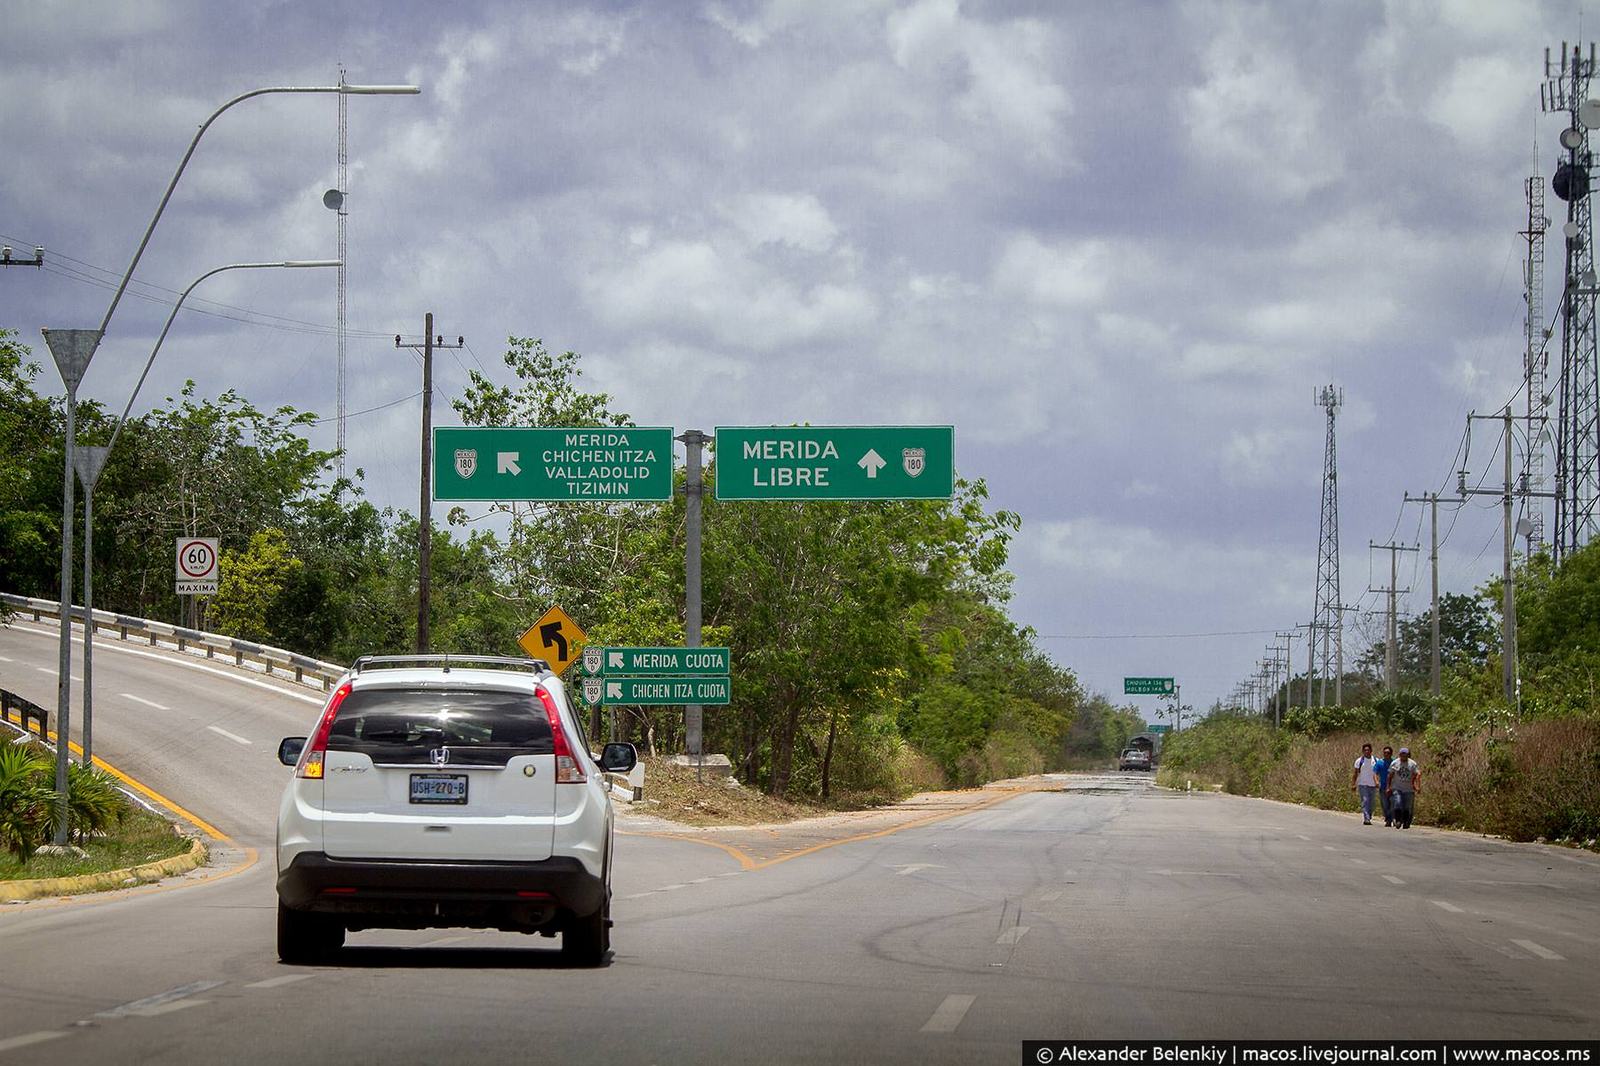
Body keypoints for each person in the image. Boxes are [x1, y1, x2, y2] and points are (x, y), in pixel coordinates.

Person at [1386, 747, 1421, 829]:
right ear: (1399, 755)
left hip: (1409, 789)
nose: (1403, 756)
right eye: (1402, 754)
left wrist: (1417, 786)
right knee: (1398, 802)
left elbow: (1418, 774)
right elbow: (1390, 776)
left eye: (1405, 754)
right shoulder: (1395, 763)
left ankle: (1405, 822)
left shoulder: (1412, 764)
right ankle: (1398, 820)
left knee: (1407, 806)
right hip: (1397, 787)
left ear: (1408, 755)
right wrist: (1388, 787)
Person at [1351, 743, 1381, 825]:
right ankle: (1366, 818)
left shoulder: (1376, 760)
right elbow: (1355, 773)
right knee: (1365, 801)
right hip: (1363, 784)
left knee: (1372, 803)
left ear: (1371, 751)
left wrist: (1379, 782)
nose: (1366, 751)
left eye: (1368, 750)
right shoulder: (1359, 761)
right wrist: (1353, 784)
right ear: (1362, 751)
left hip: (1373, 785)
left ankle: (1369, 815)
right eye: (1365, 750)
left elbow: (1379, 772)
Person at [1373, 745, 1395, 826]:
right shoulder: (1379, 762)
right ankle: (1388, 817)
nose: (1386, 754)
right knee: (1385, 804)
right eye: (1385, 753)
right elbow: (1375, 773)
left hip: (1393, 786)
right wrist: (1376, 781)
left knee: (1392, 803)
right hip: (1383, 786)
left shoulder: (1394, 763)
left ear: (1391, 753)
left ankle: (1391, 818)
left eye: (1388, 753)